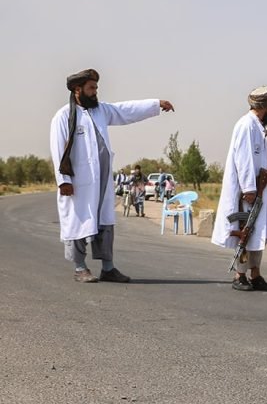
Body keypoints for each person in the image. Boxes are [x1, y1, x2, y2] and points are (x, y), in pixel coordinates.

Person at [50, 69, 175, 283]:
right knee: (78, 223)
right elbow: (58, 150)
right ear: (77, 89)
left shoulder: (100, 111)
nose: (95, 91)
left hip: (102, 181)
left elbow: (126, 110)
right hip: (79, 184)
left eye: (96, 87)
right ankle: (80, 267)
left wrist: (156, 104)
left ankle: (108, 268)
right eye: (91, 88)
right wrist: (64, 181)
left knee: (105, 223)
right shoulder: (63, 116)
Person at [211, 86, 267, 292]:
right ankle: (240, 275)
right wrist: (249, 189)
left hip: (258, 189)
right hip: (246, 192)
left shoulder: (256, 126)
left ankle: (255, 274)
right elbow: (244, 159)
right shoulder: (246, 125)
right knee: (245, 231)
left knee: (257, 231)